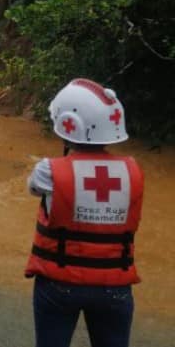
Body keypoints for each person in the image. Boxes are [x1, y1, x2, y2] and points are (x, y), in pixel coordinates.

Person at [25, 78, 143, 347]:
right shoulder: (133, 171)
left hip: (59, 283)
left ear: (69, 126)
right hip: (115, 286)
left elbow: (33, 189)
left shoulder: (48, 171)